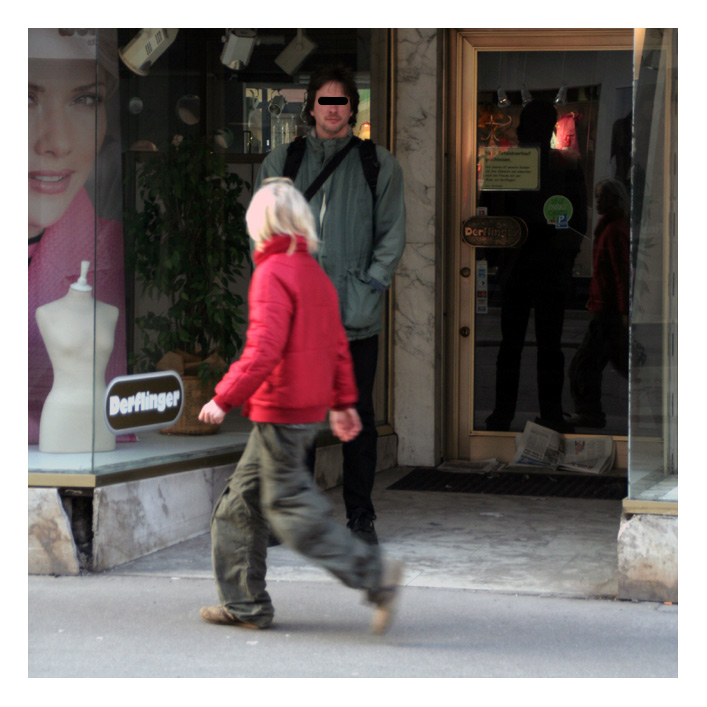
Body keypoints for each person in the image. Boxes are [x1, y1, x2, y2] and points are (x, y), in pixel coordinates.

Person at [197, 178, 404, 634]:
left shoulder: (271, 274)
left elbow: (262, 351)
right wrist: (343, 403)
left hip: (281, 411)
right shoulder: (313, 272)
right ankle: (245, 604)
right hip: (300, 410)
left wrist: (222, 397)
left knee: (291, 514)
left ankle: (375, 576)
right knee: (238, 507)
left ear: (260, 222)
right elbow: (336, 345)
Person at [254, 65, 406, 544]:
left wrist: (369, 287)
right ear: (311, 107)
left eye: (342, 102)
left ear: (353, 109)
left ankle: (360, 516)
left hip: (354, 319)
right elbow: (263, 228)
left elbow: (392, 235)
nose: (333, 109)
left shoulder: (377, 163)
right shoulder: (283, 159)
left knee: (356, 420)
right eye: (325, 101)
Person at [28, 29, 126, 445]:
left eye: (86, 99)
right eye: (21, 99)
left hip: (77, 441)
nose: (59, 142)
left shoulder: (108, 251)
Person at [482, 100, 587, 434]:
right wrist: (564, 259)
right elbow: (578, 221)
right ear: (551, 130)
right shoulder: (566, 166)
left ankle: (502, 414)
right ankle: (551, 414)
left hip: (517, 268)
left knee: (510, 346)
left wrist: (496, 259)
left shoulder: (506, 163)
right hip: (551, 269)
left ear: (522, 129)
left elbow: (490, 219)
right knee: (550, 347)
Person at [569, 178, 630, 429]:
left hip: (608, 312)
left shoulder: (613, 229)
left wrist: (622, 310)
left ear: (613, 199)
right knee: (620, 364)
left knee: (584, 365)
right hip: (607, 309)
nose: (597, 201)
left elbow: (620, 274)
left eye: (600, 196)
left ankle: (590, 413)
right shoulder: (611, 227)